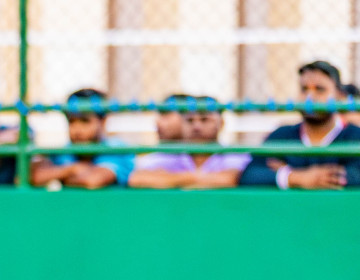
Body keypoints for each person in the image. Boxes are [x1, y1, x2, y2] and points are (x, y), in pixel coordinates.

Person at [241, 61, 360, 189]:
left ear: (339, 95)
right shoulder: (281, 135)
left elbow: (355, 176)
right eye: (304, 89)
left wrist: (284, 172)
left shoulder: (355, 137)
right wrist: (295, 177)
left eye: (320, 89)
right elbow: (250, 175)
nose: (310, 97)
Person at [129, 97, 248, 189]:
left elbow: (228, 179)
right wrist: (195, 178)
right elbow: (137, 178)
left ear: (221, 123)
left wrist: (170, 178)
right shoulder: (170, 153)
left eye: (204, 120)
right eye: (190, 120)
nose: (196, 126)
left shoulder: (233, 153)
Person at [29, 88, 133, 189]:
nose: (77, 130)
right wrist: (72, 170)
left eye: (85, 121)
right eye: (72, 121)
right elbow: (32, 176)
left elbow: (93, 181)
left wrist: (59, 177)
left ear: (103, 121)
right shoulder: (65, 151)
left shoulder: (116, 149)